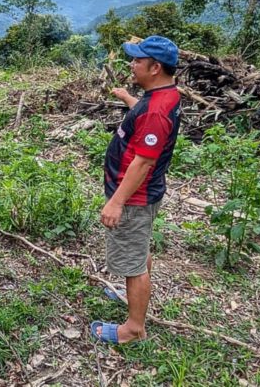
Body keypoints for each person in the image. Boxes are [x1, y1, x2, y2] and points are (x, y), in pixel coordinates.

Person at [91, 35, 181, 345]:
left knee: (132, 262)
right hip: (144, 193)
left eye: (138, 61)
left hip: (135, 198)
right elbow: (144, 116)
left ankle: (134, 328)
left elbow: (143, 163)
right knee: (138, 251)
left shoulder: (156, 110)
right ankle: (132, 296)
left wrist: (117, 202)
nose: (132, 65)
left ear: (155, 68)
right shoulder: (162, 95)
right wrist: (128, 98)